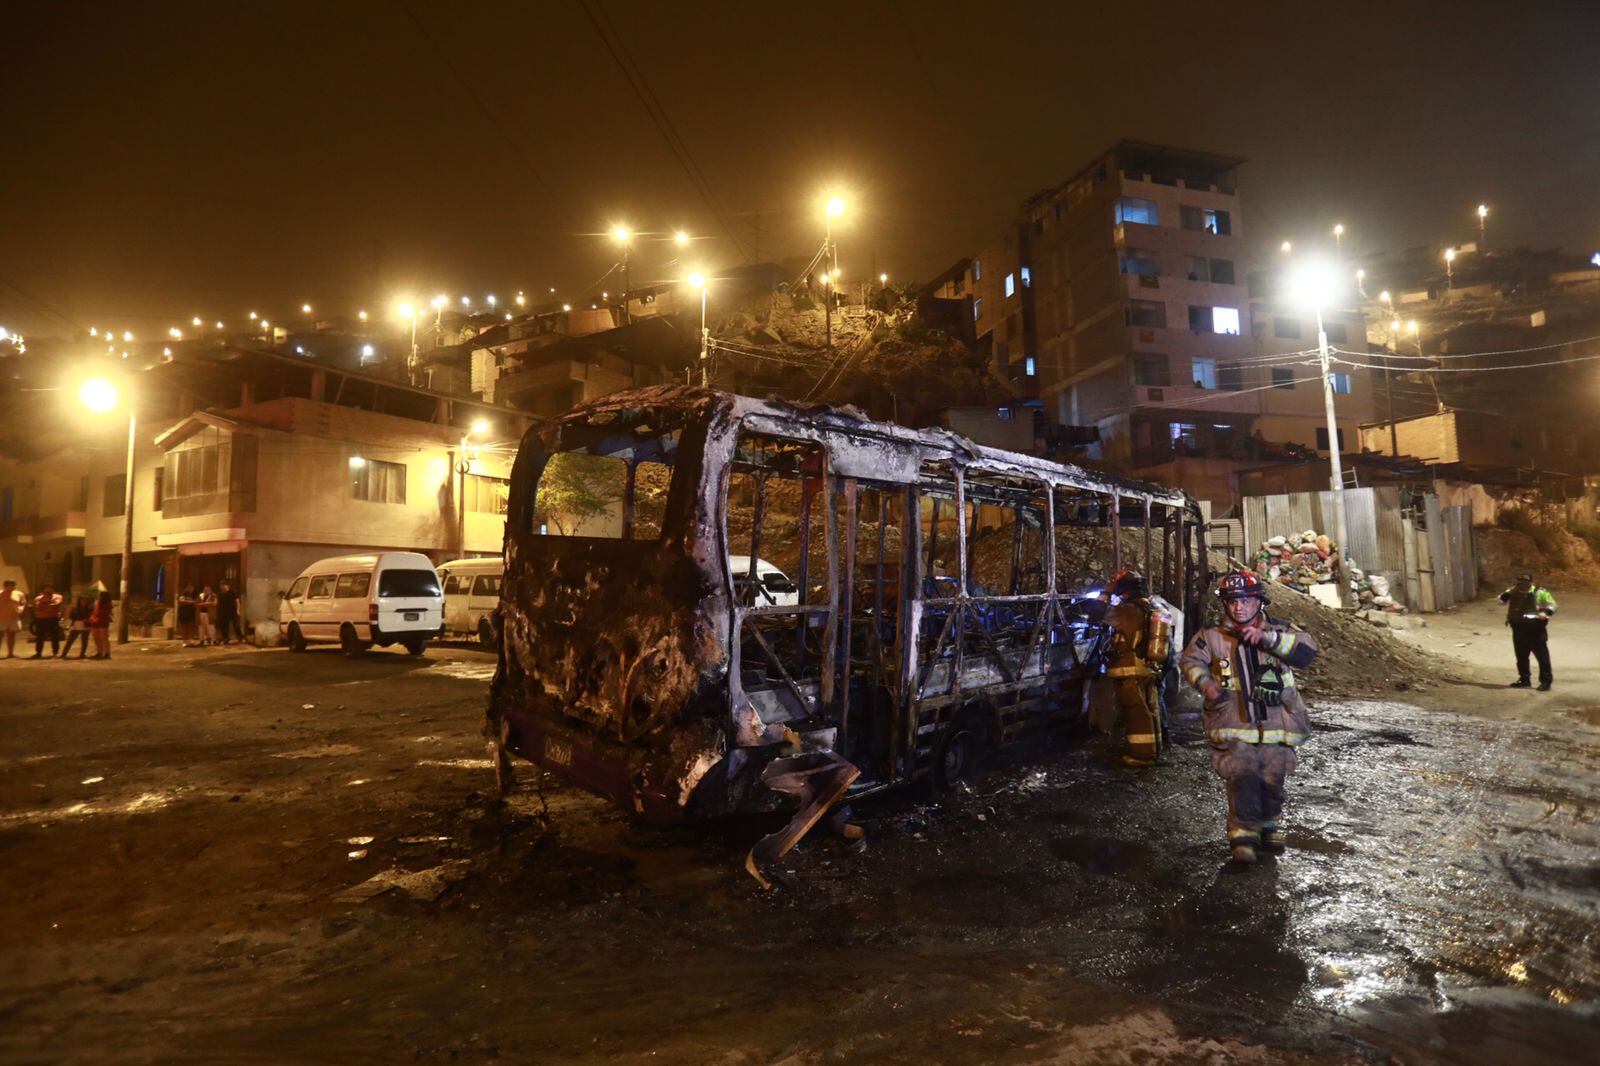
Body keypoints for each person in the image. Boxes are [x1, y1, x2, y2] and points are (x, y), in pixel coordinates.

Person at [1180, 570, 1320, 864]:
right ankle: (1243, 836)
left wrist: (1267, 639)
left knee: (1272, 778)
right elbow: (1190, 660)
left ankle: (1269, 825)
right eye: (1232, 602)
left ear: (1259, 602)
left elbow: (1307, 651)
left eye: (1245, 600)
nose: (1238, 607)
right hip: (1234, 725)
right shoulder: (1211, 636)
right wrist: (1205, 682)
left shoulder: (1281, 630)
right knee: (1242, 776)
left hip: (1277, 725)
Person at [1102, 568, 1172, 768]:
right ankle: (1154, 750)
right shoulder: (1151, 607)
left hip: (1130, 669)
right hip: (1149, 668)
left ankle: (1142, 756)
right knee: (1151, 709)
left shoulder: (1126, 611)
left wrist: (1106, 592)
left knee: (1136, 713)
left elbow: (1096, 612)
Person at [1499, 572, 1556, 691]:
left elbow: (1552, 605)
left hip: (1535, 628)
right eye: (1520, 583)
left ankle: (1546, 681)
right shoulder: (1513, 591)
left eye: (1525, 583)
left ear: (1530, 583)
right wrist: (1509, 593)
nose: (1523, 586)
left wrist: (1545, 613)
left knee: (1542, 657)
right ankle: (1524, 679)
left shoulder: (1540, 592)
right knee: (1521, 656)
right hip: (1518, 628)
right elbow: (1501, 601)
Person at [30, 584, 64, 659]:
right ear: (44, 589)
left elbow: (56, 604)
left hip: (52, 618)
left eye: (50, 588)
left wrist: (43, 605)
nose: (48, 590)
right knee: (39, 637)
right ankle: (38, 653)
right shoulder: (38, 598)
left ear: (53, 589)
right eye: (46, 588)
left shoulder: (58, 596)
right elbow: (36, 607)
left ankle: (55, 653)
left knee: (54, 636)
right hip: (41, 619)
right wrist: (48, 605)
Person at [215, 580, 246, 645]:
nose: (222, 587)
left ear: (227, 585)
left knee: (236, 625)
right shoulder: (220, 594)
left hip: (232, 611)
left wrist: (238, 610)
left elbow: (237, 601)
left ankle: (240, 638)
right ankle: (226, 638)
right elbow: (218, 603)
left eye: (224, 585)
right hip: (223, 612)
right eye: (221, 585)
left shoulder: (232, 592)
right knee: (224, 626)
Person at [0, 579, 24, 658]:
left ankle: (10, 653)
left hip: (13, 618)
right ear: (5, 586)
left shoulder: (19, 594)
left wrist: (21, 608)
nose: (11, 587)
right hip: (1, 618)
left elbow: (22, 603)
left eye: (13, 585)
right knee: (0, 635)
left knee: (11, 635)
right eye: (9, 585)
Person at [88, 591, 113, 660]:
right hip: (95, 622)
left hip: (103, 622)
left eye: (100, 595)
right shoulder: (97, 603)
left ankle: (107, 652)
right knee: (96, 638)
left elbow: (105, 613)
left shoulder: (107, 604)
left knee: (104, 638)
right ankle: (99, 651)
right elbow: (94, 611)